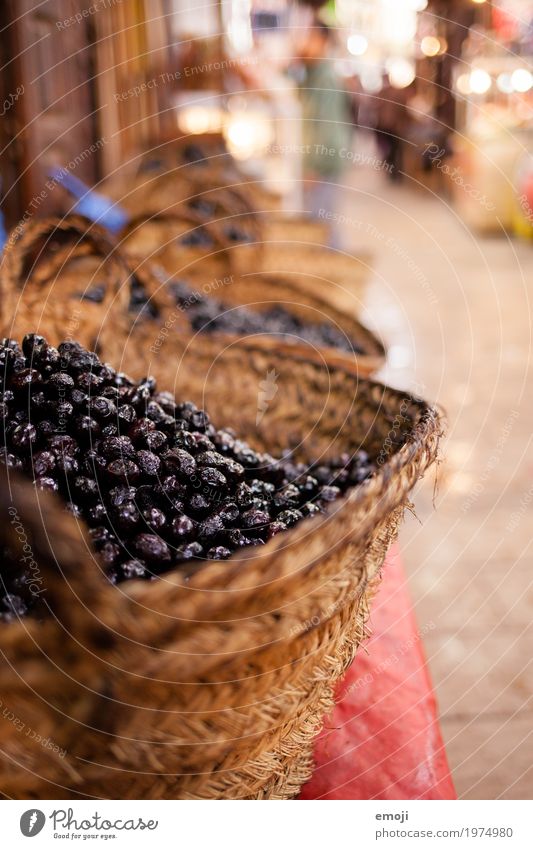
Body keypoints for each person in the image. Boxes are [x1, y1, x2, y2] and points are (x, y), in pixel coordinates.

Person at [298, 21, 352, 246]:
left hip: (325, 159)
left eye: (307, 37)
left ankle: (331, 272)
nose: (302, 43)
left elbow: (326, 126)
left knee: (320, 221)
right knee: (320, 218)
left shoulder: (325, 78)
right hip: (323, 159)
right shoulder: (313, 75)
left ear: (321, 41)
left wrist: (314, 166)